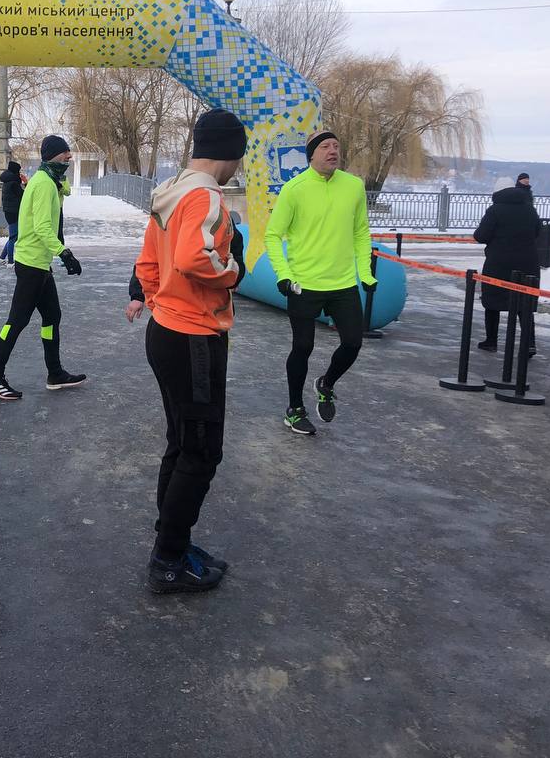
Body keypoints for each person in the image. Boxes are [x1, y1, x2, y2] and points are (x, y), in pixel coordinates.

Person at [134, 108, 245, 594]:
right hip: (195, 337)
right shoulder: (206, 195)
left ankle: (171, 542)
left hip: (166, 331)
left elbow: (148, 262)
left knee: (182, 443)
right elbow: (195, 257)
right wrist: (233, 272)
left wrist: (161, 301)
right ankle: (169, 559)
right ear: (233, 153)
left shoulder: (172, 190)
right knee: (201, 452)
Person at [264, 129, 374, 436]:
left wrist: (364, 272)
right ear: (311, 154)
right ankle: (295, 409)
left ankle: (326, 384)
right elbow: (273, 235)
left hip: (342, 284)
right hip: (304, 283)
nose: (332, 150)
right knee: (303, 346)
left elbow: (361, 232)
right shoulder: (294, 189)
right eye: (325, 146)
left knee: (353, 342)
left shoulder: (353, 186)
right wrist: (283, 274)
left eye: (336, 146)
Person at [0, 135, 86, 400]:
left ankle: (55, 373)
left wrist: (60, 182)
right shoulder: (42, 184)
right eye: (65, 154)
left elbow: (61, 201)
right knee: (16, 321)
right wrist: (64, 252)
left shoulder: (50, 181)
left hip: (40, 263)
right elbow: (41, 227)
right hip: (31, 263)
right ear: (52, 155)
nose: (69, 158)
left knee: (52, 316)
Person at [473, 184, 541, 354]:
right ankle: (529, 343)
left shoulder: (494, 210)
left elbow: (481, 235)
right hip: (527, 262)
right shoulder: (530, 210)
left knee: (493, 300)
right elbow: (538, 231)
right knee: (524, 303)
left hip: (499, 262)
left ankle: (491, 340)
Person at [0, 159, 25, 265]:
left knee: (13, 236)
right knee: (13, 237)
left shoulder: (7, 181)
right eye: (19, 171)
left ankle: (2, 257)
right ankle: (10, 261)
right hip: (14, 212)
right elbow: (24, 195)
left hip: (9, 211)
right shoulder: (13, 183)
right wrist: (26, 183)